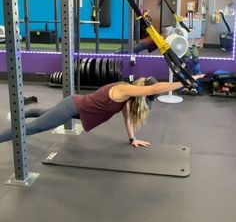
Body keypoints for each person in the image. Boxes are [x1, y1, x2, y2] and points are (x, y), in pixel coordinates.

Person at [0, 75, 204, 147]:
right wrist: (185, 82)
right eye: (147, 96)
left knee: (43, 113)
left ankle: (21, 112)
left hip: (77, 109)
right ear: (142, 91)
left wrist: (133, 140)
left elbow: (128, 121)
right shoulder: (124, 89)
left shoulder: (127, 99)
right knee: (33, 129)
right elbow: (153, 88)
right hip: (73, 106)